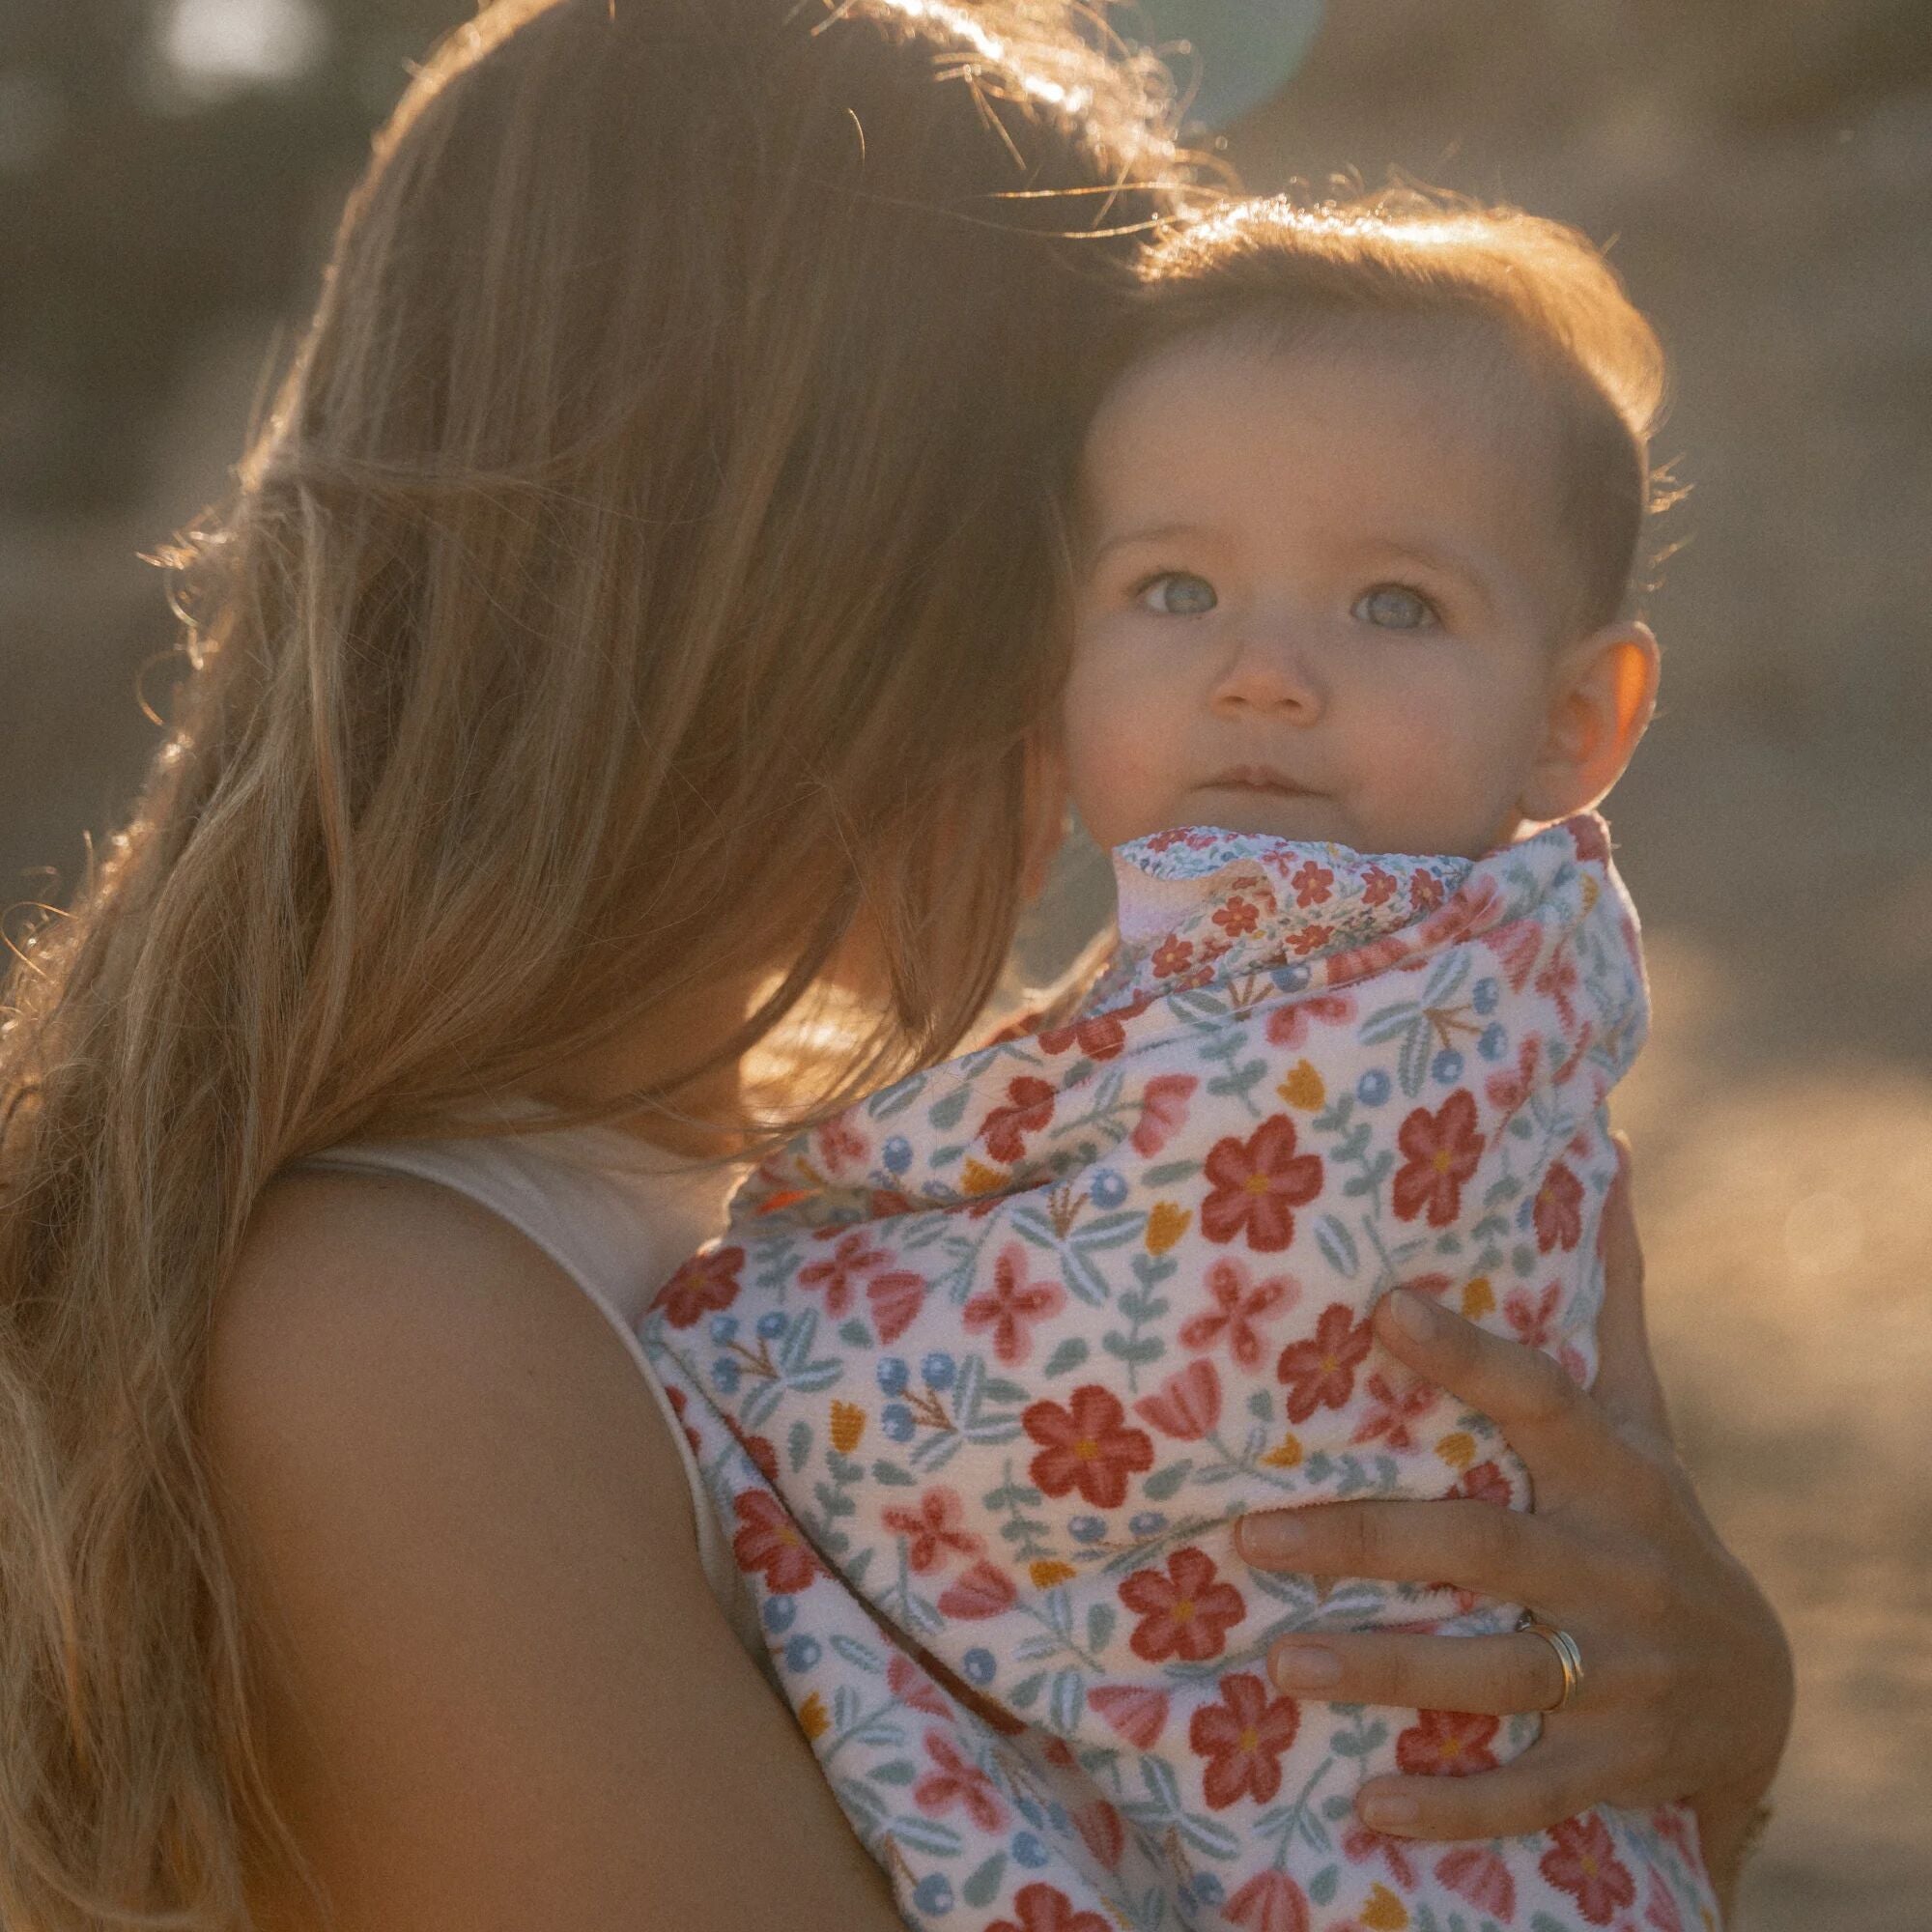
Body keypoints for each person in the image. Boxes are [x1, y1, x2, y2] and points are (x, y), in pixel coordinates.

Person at [0, 5, 1790, 1931]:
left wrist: (1696, 1729)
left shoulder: (860, 1169)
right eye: (1136, 573)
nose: (1218, 682)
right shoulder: (387, 1328)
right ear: (828, 577)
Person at [632, 196, 1726, 1929]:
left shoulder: (1422, 1039)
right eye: (1174, 588)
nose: (1264, 674)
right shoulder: (1237, 968)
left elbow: (1077, 1419)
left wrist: (692, 1351)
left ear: (1568, 723)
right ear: (1054, 655)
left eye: (1394, 601)